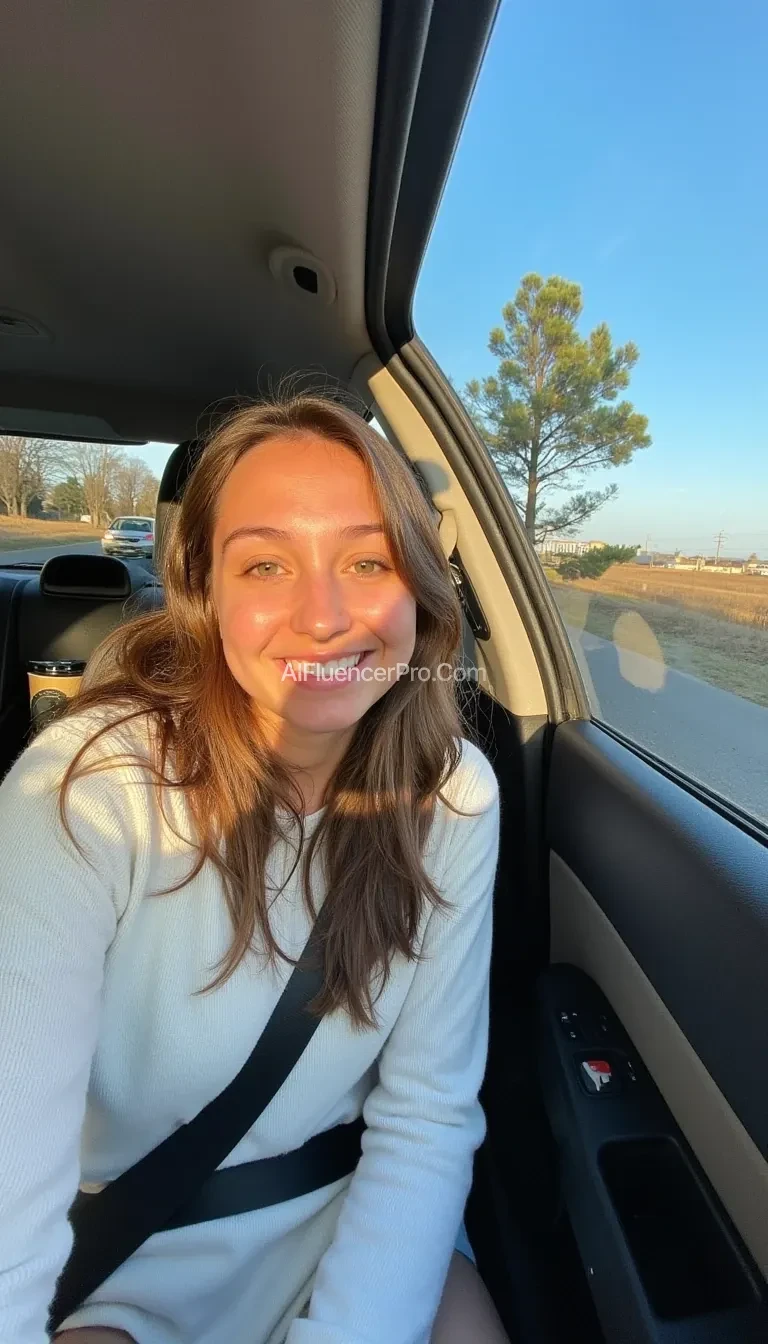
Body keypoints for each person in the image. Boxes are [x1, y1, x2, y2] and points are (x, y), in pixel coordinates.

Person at [0, 394, 508, 1344]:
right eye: (267, 564)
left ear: (419, 589)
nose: (323, 617)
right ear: (205, 591)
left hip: (348, 1224)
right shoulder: (86, 793)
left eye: (367, 561)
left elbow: (429, 1117)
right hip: (131, 1260)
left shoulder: (454, 797)